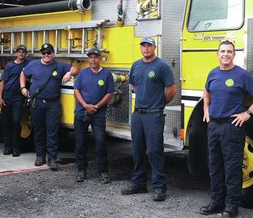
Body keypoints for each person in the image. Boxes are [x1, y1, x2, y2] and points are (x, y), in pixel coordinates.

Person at [199, 40, 253, 218]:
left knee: (232, 168)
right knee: (214, 166)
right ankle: (216, 202)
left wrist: (248, 113)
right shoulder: (213, 73)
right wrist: (206, 109)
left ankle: (231, 206)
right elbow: (206, 92)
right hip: (213, 126)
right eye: (222, 51)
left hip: (232, 126)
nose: (226, 54)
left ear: (234, 54)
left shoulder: (242, 75)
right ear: (217, 54)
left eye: (229, 51)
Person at [121, 36, 177, 201]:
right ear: (141, 48)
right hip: (138, 114)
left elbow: (172, 90)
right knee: (137, 150)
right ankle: (138, 184)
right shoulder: (136, 65)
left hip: (154, 114)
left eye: (149, 46)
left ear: (154, 47)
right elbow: (135, 87)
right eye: (143, 46)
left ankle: (159, 188)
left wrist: (159, 103)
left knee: (154, 151)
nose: (146, 48)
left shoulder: (162, 66)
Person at [20, 43, 79, 171]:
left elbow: (76, 69)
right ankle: (40, 156)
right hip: (37, 103)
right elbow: (23, 74)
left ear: (53, 53)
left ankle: (52, 159)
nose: (46, 55)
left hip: (53, 104)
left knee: (52, 132)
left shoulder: (60, 65)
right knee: (39, 131)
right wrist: (23, 87)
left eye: (48, 53)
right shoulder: (33, 65)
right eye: (44, 53)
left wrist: (69, 74)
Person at [73, 47, 115, 184]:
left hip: (98, 114)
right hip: (82, 112)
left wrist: (96, 106)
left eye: (95, 57)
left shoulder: (107, 74)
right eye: (90, 57)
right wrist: (85, 105)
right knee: (80, 142)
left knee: (100, 142)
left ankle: (103, 172)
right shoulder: (83, 73)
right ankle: (81, 170)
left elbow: (109, 94)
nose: (93, 60)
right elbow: (76, 91)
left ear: (100, 58)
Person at [0, 45, 30, 157]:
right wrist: (0, 97)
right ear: (16, 53)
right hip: (7, 95)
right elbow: (2, 82)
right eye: (19, 51)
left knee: (16, 122)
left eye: (23, 52)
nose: (21, 54)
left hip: (18, 97)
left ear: (26, 54)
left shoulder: (28, 64)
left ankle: (16, 148)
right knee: (6, 123)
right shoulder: (9, 65)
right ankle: (7, 147)